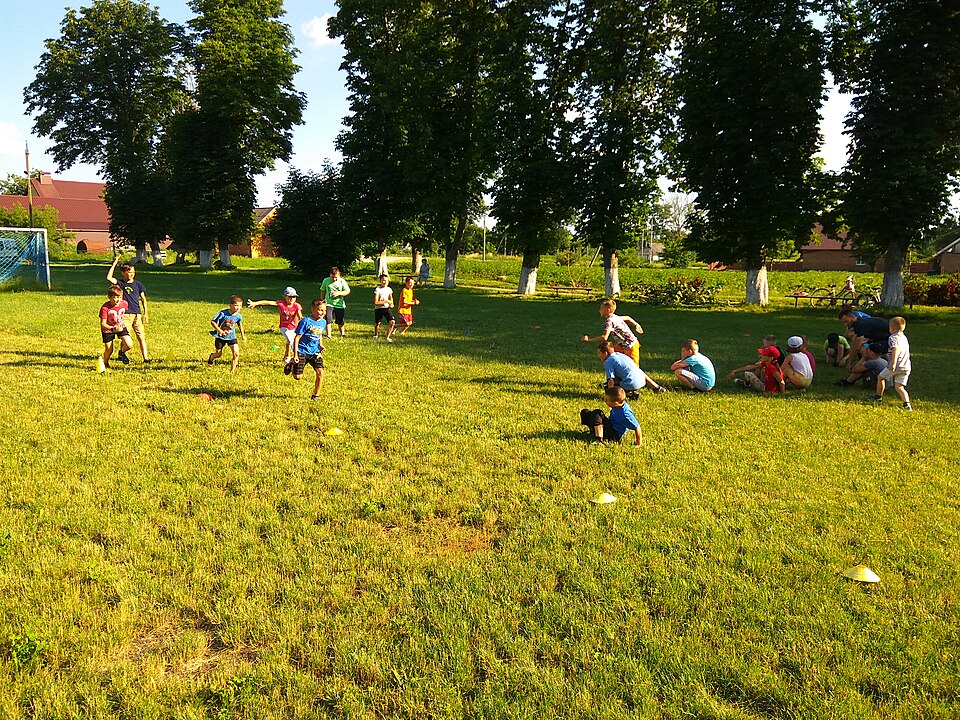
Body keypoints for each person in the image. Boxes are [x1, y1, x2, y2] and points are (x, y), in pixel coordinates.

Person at [107, 256, 150, 363]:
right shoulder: (120, 283)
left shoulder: (138, 284)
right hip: (125, 314)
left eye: (133, 272)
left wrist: (145, 313)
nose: (131, 274)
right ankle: (122, 352)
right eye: (129, 272)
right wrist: (115, 263)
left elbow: (143, 299)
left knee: (141, 337)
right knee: (127, 337)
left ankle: (146, 358)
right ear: (123, 272)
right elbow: (109, 278)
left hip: (137, 314)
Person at [247, 287, 303, 364]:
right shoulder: (281, 304)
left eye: (294, 297)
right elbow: (267, 302)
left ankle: (286, 355)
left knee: (289, 341)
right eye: (289, 296)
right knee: (291, 340)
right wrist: (255, 303)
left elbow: (300, 316)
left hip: (294, 327)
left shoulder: (297, 305)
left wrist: (303, 322)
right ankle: (292, 357)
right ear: (284, 296)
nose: (292, 299)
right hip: (284, 327)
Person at [582, 298, 644, 366]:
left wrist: (589, 340)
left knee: (634, 368)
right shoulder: (615, 317)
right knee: (610, 354)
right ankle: (615, 372)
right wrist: (636, 325)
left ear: (608, 310)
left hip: (630, 345)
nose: (599, 310)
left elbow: (604, 337)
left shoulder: (609, 322)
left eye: (601, 308)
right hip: (622, 345)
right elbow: (627, 317)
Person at [871, 316, 912, 410]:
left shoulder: (893, 338)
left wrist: (893, 363)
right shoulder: (904, 337)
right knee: (899, 387)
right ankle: (907, 405)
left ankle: (878, 397)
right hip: (906, 366)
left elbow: (895, 349)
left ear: (892, 329)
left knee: (880, 377)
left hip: (896, 365)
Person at [597, 341, 666, 396]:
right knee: (638, 372)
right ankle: (657, 388)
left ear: (605, 353)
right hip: (642, 380)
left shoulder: (608, 361)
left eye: (599, 353)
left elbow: (611, 380)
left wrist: (610, 395)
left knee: (608, 388)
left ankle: (630, 394)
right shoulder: (619, 354)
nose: (598, 355)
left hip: (631, 384)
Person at [291, 298, 327, 399]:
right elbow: (297, 338)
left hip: (314, 352)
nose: (322, 312)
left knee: (320, 372)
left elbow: (319, 334)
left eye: (324, 310)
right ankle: (292, 364)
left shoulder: (323, 322)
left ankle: (316, 395)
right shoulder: (305, 321)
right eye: (319, 310)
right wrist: (295, 354)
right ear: (312, 309)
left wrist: (320, 345)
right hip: (302, 351)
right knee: (297, 377)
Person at [98, 285, 133, 372]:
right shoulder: (105, 308)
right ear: (109, 297)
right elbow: (103, 324)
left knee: (129, 344)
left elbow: (123, 313)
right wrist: (113, 328)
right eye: (115, 297)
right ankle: (105, 362)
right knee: (109, 349)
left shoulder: (124, 303)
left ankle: (121, 352)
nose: (117, 300)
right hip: (108, 329)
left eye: (119, 297)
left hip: (120, 326)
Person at [207, 295, 246, 372]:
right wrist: (219, 330)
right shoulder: (223, 313)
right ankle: (212, 357)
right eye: (236, 305)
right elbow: (213, 322)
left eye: (240, 306)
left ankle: (232, 372)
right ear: (230, 305)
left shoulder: (238, 316)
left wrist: (243, 336)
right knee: (218, 354)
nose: (238, 308)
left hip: (232, 337)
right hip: (221, 337)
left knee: (236, 354)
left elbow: (239, 324)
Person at [319, 266, 351, 338]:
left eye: (336, 277)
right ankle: (329, 335)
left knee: (340, 320)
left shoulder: (342, 281)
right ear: (330, 274)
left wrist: (339, 293)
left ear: (339, 274)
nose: (334, 279)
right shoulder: (326, 281)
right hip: (328, 303)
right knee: (328, 319)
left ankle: (342, 333)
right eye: (332, 277)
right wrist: (322, 301)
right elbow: (323, 290)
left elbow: (347, 291)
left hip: (339, 304)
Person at [373, 274, 396, 342]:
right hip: (379, 308)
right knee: (378, 323)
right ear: (380, 281)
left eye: (386, 280)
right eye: (383, 280)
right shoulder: (377, 290)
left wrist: (391, 304)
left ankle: (387, 337)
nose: (384, 282)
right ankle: (376, 334)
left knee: (392, 322)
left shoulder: (389, 289)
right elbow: (376, 302)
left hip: (386, 308)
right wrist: (385, 301)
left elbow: (391, 299)